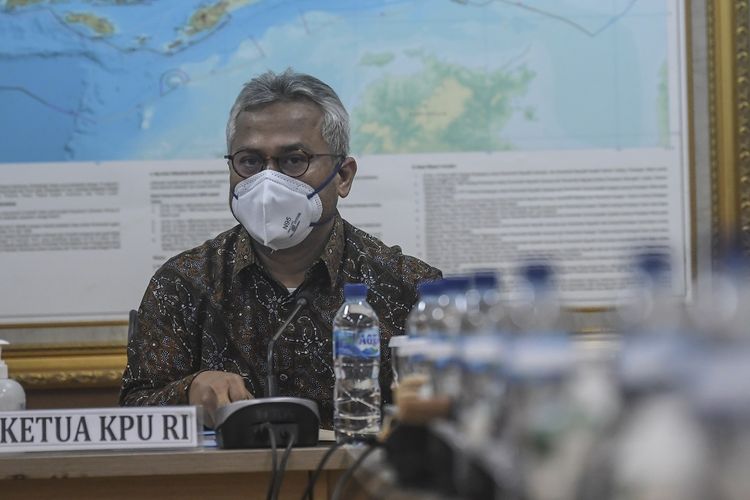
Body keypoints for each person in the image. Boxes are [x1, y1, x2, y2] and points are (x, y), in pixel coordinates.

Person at [119, 69, 442, 428]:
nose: (267, 181)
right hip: (228, 485)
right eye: (250, 161)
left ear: (343, 175)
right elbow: (135, 413)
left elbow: (455, 413)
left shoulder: (409, 287)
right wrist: (189, 392)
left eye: (293, 160)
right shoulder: (184, 284)